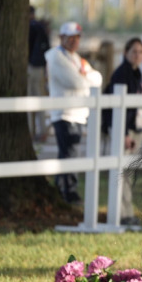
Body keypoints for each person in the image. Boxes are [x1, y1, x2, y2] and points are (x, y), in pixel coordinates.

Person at [45, 21, 103, 203]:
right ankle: (69, 192)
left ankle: (61, 190)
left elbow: (98, 78)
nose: (74, 41)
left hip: (77, 114)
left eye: (77, 37)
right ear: (61, 37)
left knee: (68, 153)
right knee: (70, 153)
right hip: (65, 113)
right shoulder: (56, 57)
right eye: (70, 37)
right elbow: (76, 82)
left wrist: (83, 76)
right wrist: (85, 77)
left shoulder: (76, 58)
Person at [102, 38, 142, 226]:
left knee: (128, 172)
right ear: (125, 53)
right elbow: (118, 109)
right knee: (121, 172)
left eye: (140, 52)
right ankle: (121, 213)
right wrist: (123, 134)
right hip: (125, 129)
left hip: (135, 128)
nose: (137, 55)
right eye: (133, 52)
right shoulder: (122, 74)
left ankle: (126, 211)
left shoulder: (137, 72)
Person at [28, 5, 50, 140]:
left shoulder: (28, 26)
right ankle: (42, 131)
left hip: (29, 66)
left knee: (28, 100)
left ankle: (30, 131)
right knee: (40, 100)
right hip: (40, 67)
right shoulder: (40, 27)